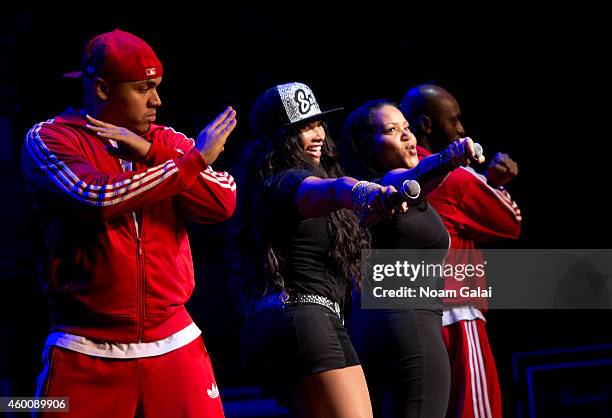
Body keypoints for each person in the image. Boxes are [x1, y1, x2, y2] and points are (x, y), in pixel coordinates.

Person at [21, 29, 237, 418]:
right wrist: (188, 163)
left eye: (156, 86)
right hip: (84, 349)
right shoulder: (49, 138)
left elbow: (222, 202)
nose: (157, 100)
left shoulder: (164, 140)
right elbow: (96, 197)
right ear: (102, 89)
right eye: (143, 88)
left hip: (175, 343)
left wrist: (156, 153)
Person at [240, 82, 400, 418]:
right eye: (303, 128)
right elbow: (333, 190)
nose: (317, 135)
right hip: (302, 321)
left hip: (300, 321)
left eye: (317, 124)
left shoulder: (275, 185)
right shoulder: (284, 183)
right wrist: (367, 192)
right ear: (279, 140)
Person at [341, 99, 484, 418]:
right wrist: (450, 158)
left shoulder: (360, 196)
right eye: (393, 130)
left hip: (371, 327)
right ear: (367, 147)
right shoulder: (386, 186)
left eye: (407, 128)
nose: (407, 136)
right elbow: (412, 181)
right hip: (409, 326)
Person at [400, 84, 522, 418]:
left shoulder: (391, 179)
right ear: (426, 125)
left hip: (410, 322)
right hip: (457, 314)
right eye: (454, 120)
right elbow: (510, 222)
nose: (461, 129)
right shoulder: (453, 177)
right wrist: (494, 183)